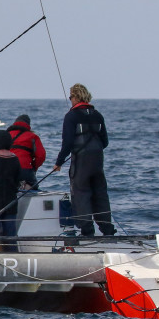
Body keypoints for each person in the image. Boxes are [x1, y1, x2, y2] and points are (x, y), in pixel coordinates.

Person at [51, 83, 115, 236]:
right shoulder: (98, 115)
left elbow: (67, 143)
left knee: (81, 193)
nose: (70, 99)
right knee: (100, 194)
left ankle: (87, 230)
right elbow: (105, 141)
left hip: (81, 161)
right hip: (98, 161)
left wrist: (59, 162)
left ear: (76, 97)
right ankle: (107, 229)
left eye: (70, 97)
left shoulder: (71, 116)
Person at [7, 114, 47, 189]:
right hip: (25, 168)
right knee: (33, 188)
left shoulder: (6, 135)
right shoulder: (32, 136)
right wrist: (34, 167)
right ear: (28, 125)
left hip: (7, 168)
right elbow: (41, 155)